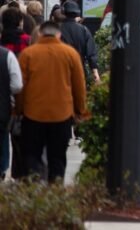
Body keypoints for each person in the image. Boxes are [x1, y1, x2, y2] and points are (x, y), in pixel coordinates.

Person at [16, 21, 88, 182]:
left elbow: (21, 88)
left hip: (33, 114)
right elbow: (79, 86)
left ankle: (35, 188)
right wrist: (80, 111)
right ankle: (55, 191)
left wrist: (18, 110)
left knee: (32, 155)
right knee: (58, 158)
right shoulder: (70, 54)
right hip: (61, 115)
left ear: (40, 34)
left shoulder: (28, 54)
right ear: (59, 35)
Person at [59, 1, 100, 84]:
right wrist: (95, 72)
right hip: (79, 69)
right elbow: (91, 52)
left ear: (63, 12)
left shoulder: (57, 29)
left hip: (61, 71)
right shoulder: (84, 30)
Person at [0, 42, 23, 180]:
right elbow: (17, 85)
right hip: (3, 107)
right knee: (3, 137)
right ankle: (2, 168)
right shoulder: (7, 55)